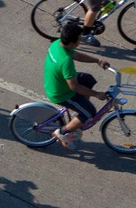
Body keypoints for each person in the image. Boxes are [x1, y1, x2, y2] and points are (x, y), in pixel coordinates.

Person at [43, 21, 113, 150]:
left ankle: (80, 113)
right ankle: (62, 132)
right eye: (79, 39)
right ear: (71, 43)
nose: (80, 41)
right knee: (90, 112)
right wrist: (97, 94)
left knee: (88, 79)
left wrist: (97, 60)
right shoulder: (66, 62)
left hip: (54, 80)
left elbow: (77, 55)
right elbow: (74, 87)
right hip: (61, 93)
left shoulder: (57, 44)